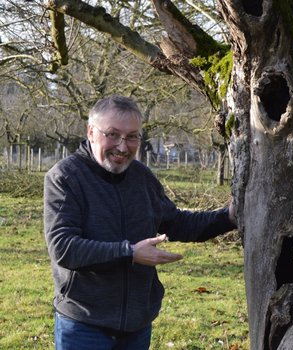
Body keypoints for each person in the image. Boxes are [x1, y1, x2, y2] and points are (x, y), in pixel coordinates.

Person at [43, 94, 236, 350]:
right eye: (112, 134)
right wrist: (130, 253)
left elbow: (177, 223)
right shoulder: (65, 177)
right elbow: (64, 248)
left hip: (137, 325)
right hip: (84, 324)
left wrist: (229, 217)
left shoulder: (142, 178)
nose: (123, 147)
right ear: (91, 132)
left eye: (132, 136)